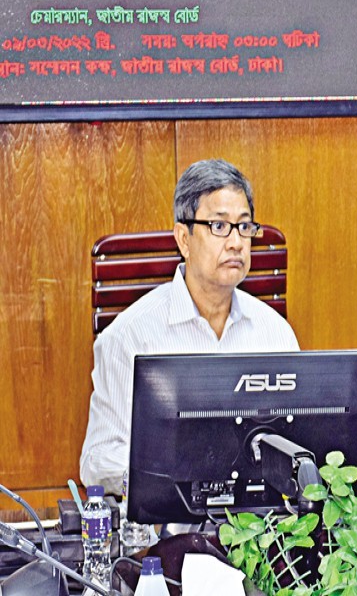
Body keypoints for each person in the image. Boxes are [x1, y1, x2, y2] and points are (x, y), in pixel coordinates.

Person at [80, 159, 300, 493]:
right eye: (219, 226)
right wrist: (180, 467)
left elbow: (298, 435)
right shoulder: (129, 338)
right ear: (184, 239)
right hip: (169, 533)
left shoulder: (275, 332)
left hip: (261, 529)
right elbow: (98, 460)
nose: (236, 242)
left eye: (244, 227)